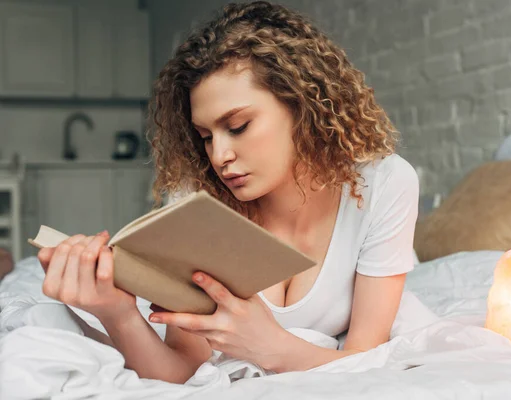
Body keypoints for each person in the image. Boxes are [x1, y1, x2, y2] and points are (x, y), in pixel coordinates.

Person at [37, 1, 419, 384]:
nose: (220, 156)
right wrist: (117, 313)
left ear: (301, 107)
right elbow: (180, 370)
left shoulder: (383, 184)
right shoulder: (197, 199)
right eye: (205, 137)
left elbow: (367, 359)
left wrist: (270, 347)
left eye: (237, 127)